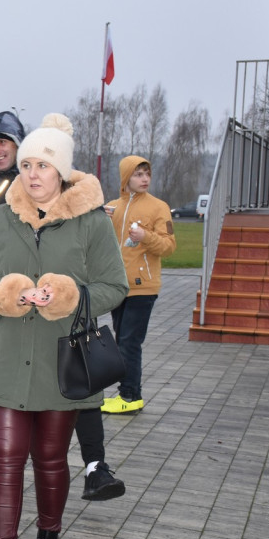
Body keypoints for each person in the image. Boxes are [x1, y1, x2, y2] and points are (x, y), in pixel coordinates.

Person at [0, 114, 127, 539]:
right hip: (7, 358)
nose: (33, 173)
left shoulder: (91, 224)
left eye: (43, 165)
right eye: (27, 163)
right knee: (5, 457)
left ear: (62, 172)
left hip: (63, 362)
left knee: (51, 459)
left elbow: (115, 285)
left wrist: (72, 297)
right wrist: (6, 291)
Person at [99, 156, 176, 414]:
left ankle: (130, 398)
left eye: (147, 174)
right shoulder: (112, 207)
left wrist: (146, 236)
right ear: (125, 178)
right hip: (118, 287)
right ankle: (130, 394)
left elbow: (169, 246)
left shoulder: (158, 207)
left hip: (143, 288)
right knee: (122, 341)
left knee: (129, 343)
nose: (145, 179)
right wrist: (98, 218)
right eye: (138, 174)